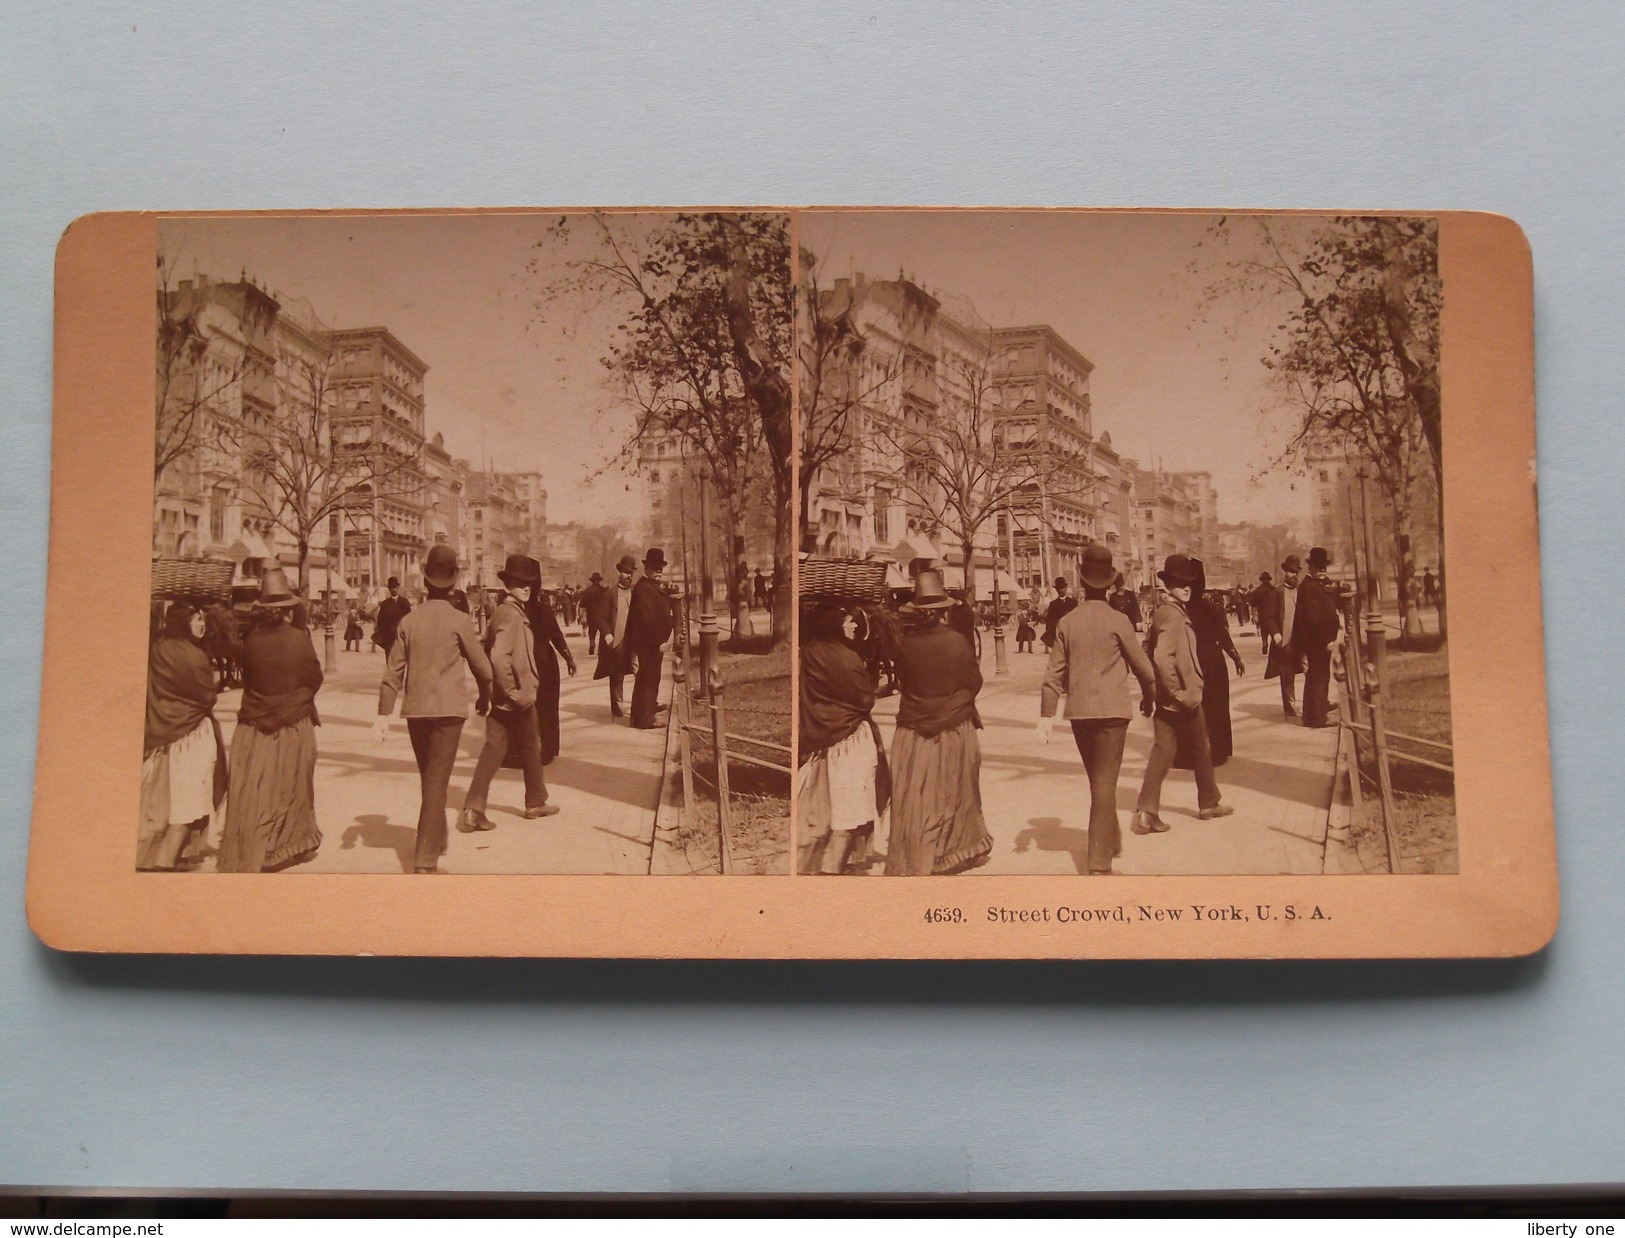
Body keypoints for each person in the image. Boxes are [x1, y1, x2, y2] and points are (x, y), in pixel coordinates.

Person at [373, 545, 494, 874]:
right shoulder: (460, 621)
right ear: (454, 582)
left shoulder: (408, 622)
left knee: (430, 777)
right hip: (450, 712)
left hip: (416, 712)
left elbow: (392, 674)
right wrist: (486, 695)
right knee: (437, 782)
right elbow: (482, 667)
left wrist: (383, 714)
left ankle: (437, 838)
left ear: (425, 582)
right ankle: (425, 859)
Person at [1036, 544, 1156, 875]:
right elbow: (1144, 668)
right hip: (1114, 712)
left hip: (1080, 714)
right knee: (1104, 785)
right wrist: (1150, 696)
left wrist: (1046, 715)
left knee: (1098, 781)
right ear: (1112, 581)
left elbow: (1053, 674)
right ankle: (1099, 861)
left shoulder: (1067, 622)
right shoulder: (1118, 621)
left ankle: (1111, 837)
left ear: (1081, 579)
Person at [885, 570, 993, 876]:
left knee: (919, 797)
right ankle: (952, 851)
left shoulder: (904, 645)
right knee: (957, 790)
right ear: (943, 610)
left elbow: (905, 683)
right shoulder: (958, 642)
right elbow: (974, 682)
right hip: (954, 728)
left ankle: (920, 854)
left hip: (913, 732)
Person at [217, 570, 325, 872]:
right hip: (293, 723)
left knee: (258, 789)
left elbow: (250, 681)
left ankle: (259, 844)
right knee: (293, 785)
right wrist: (298, 697)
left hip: (254, 726)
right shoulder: (298, 639)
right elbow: (315, 678)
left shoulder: (250, 641)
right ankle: (288, 844)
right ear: (288, 609)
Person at [1133, 554, 1234, 835]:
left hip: (1169, 698)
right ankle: (1208, 804)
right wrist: (1177, 692)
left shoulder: (1165, 612)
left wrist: (1155, 692)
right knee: (1200, 747)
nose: (1187, 588)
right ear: (1168, 585)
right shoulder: (1172, 615)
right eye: (1180, 583)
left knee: (1165, 751)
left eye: (1189, 583)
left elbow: (1149, 651)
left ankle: (1148, 811)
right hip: (1180, 699)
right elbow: (1161, 656)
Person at [458, 553, 559, 831]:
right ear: (507, 585)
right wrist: (514, 693)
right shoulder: (511, 615)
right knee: (518, 747)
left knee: (518, 747)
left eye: (529, 582)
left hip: (507, 697)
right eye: (519, 583)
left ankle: (485, 807)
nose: (526, 587)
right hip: (514, 699)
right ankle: (528, 802)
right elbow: (499, 656)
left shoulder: (505, 610)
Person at [798, 605, 888, 875]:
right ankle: (834, 868)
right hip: (847, 741)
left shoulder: (811, 651)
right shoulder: (845, 657)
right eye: (849, 622)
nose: (854, 627)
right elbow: (864, 699)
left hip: (818, 738)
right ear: (836, 625)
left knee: (825, 808)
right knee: (849, 808)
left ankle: (828, 863)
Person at [138, 604, 228, 871]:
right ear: (183, 623)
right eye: (197, 620)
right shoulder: (192, 654)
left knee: (160, 801)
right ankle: (166, 860)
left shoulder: (156, 649)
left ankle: (158, 856)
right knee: (188, 800)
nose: (202, 625)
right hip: (190, 737)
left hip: (159, 734)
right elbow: (207, 695)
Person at [1179, 559, 1246, 766]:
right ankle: (1219, 750)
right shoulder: (1209, 607)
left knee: (1193, 708)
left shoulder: (1180, 609)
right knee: (1215, 707)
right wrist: (1236, 657)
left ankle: (1189, 755)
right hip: (1212, 662)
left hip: (1191, 661)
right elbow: (1222, 636)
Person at [519, 559, 577, 766]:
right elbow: (556, 635)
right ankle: (548, 749)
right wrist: (568, 657)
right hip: (545, 660)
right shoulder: (542, 607)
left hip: (529, 660)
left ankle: (529, 751)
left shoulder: (517, 608)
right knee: (547, 706)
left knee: (531, 707)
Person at [1292, 546, 1343, 729]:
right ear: (1310, 567)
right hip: (1317, 642)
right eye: (1319, 567)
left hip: (1318, 641)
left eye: (1324, 567)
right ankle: (1318, 718)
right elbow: (1314, 620)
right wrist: (1326, 639)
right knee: (1319, 678)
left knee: (1316, 677)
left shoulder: (1316, 586)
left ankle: (1312, 713)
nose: (1322, 570)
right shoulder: (1309, 588)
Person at [626, 547, 675, 729]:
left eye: (661, 567)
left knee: (648, 680)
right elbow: (648, 620)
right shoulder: (644, 589)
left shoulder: (649, 587)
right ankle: (645, 720)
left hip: (650, 644)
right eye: (655, 567)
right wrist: (659, 642)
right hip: (649, 644)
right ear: (646, 568)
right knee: (648, 681)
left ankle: (641, 715)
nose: (659, 570)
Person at [593, 556, 638, 719]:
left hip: (634, 639)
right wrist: (607, 634)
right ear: (619, 572)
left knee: (638, 670)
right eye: (625, 572)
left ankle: (640, 705)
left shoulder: (635, 592)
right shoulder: (610, 594)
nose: (628, 576)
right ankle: (617, 705)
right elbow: (600, 617)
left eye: (631, 573)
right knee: (617, 673)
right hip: (617, 640)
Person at [1260, 556, 1302, 717]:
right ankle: (1290, 706)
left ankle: (1317, 703)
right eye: (1291, 572)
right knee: (1287, 673)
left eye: (1296, 572)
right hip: (1285, 640)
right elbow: (1268, 616)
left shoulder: (1302, 591)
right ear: (1285, 572)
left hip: (1302, 639)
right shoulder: (1277, 593)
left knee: (1311, 669)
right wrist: (1276, 634)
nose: (1294, 575)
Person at [373, 576, 411, 658]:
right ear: (389, 589)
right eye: (391, 588)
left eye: (395, 587)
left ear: (398, 588)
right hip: (389, 637)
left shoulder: (405, 603)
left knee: (402, 659)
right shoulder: (385, 604)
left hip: (402, 636)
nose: (394, 589)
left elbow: (410, 619)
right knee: (390, 660)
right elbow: (380, 621)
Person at [1041, 576, 1076, 651]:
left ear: (1066, 588)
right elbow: (1049, 624)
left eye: (1063, 588)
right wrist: (1048, 642)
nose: (1061, 590)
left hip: (1071, 637)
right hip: (1058, 638)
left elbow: (1078, 621)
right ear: (1056, 590)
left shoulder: (1073, 603)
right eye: (1059, 588)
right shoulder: (1053, 605)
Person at [1247, 572, 1277, 657]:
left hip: (1262, 614)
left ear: (1262, 580)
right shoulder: (1274, 590)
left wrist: (1254, 615)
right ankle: (1274, 647)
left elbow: (1253, 603)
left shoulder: (1257, 591)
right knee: (1273, 631)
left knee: (1264, 630)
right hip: (1273, 615)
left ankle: (1264, 642)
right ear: (1269, 580)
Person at [579, 572, 607, 655]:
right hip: (602, 615)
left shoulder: (587, 591)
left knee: (592, 631)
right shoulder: (603, 590)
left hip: (591, 615)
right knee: (603, 632)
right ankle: (601, 649)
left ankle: (592, 642)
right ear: (599, 580)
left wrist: (581, 615)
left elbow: (582, 604)